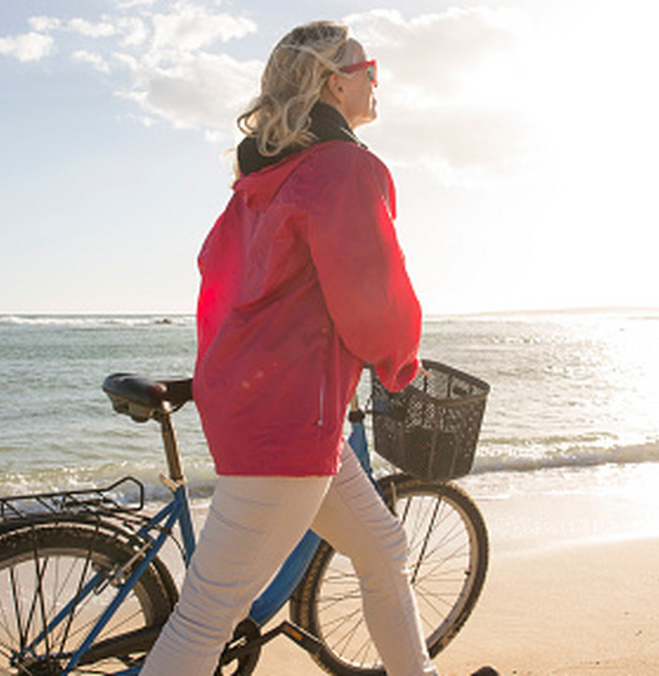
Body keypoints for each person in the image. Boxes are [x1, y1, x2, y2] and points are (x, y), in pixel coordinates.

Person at [141, 21, 464, 675]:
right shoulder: (344, 169)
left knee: (382, 549)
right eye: (368, 66)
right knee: (206, 616)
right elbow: (373, 298)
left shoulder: (264, 179)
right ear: (332, 81)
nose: (378, 79)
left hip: (264, 407)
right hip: (290, 423)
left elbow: (224, 281)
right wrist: (398, 360)